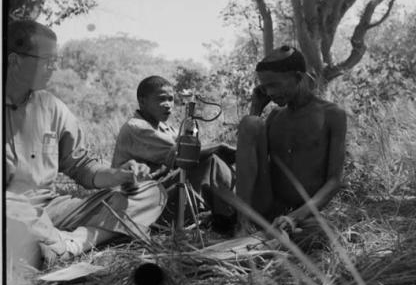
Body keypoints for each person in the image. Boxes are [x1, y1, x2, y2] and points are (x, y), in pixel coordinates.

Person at [5, 20, 168, 268]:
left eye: (55, 60)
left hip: (52, 207)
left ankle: (73, 243)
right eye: (46, 60)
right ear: (15, 60)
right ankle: (51, 243)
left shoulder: (52, 107)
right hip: (10, 208)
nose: (53, 67)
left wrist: (117, 175)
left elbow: (81, 165)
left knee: (149, 193)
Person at [232, 45, 347, 236]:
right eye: (265, 87)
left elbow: (334, 181)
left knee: (322, 234)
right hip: (267, 207)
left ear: (298, 77)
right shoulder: (275, 116)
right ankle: (242, 225)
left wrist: (295, 217)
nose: (269, 93)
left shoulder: (332, 115)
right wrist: (255, 110)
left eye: (274, 85)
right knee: (250, 123)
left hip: (303, 212)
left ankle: (284, 232)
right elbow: (251, 161)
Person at [112, 76, 236, 227]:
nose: (168, 105)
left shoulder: (166, 128)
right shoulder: (136, 127)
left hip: (161, 196)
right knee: (211, 161)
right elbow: (184, 155)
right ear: (143, 101)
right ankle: (230, 218)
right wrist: (219, 147)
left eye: (171, 99)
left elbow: (190, 149)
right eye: (161, 99)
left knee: (218, 159)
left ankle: (230, 214)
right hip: (141, 206)